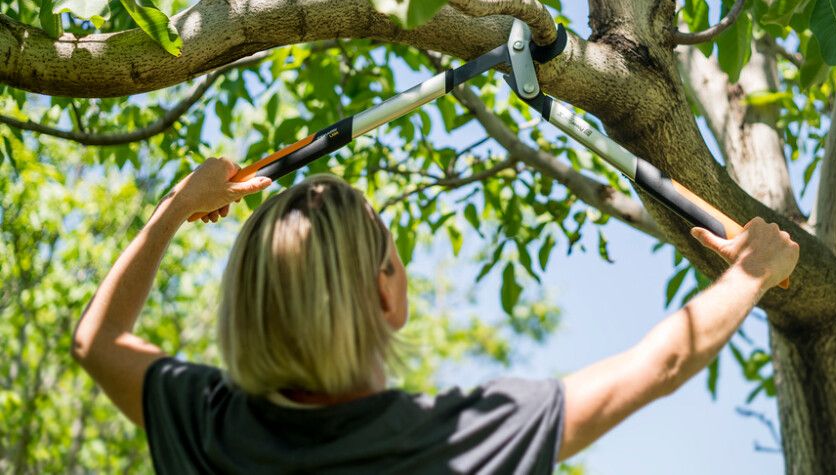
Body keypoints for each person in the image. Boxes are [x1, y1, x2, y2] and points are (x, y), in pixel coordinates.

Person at [72, 157, 799, 474]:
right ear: (386, 293)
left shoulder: (212, 427)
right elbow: (661, 362)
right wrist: (755, 270)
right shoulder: (450, 441)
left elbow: (96, 340)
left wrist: (175, 208)